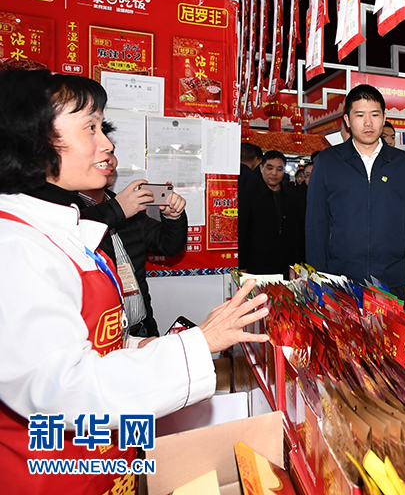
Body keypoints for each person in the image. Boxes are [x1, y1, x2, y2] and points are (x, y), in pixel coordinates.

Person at [0, 69, 269, 493]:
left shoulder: (57, 229)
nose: (106, 144)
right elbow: (64, 392)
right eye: (90, 127)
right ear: (30, 140)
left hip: (104, 468)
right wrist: (198, 345)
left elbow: (88, 342)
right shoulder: (14, 248)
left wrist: (153, 344)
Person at [306, 85, 405, 306]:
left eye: (375, 115)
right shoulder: (328, 161)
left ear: (384, 117)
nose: (368, 123)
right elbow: (316, 224)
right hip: (340, 279)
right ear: (348, 121)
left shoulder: (403, 164)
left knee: (392, 340)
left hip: (393, 280)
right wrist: (318, 277)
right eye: (360, 115)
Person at [79, 128, 188, 338]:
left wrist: (173, 217)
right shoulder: (66, 210)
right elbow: (73, 238)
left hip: (142, 331)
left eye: (111, 152)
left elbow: (168, 246)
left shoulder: (126, 206)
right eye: (97, 152)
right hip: (99, 341)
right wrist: (117, 210)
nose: (108, 159)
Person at [239, 150, 305, 278]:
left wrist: (299, 260)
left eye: (279, 169)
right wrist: (242, 265)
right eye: (269, 168)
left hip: (286, 263)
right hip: (256, 263)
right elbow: (242, 231)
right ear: (261, 168)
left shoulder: (291, 196)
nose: (274, 173)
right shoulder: (249, 194)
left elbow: (297, 230)